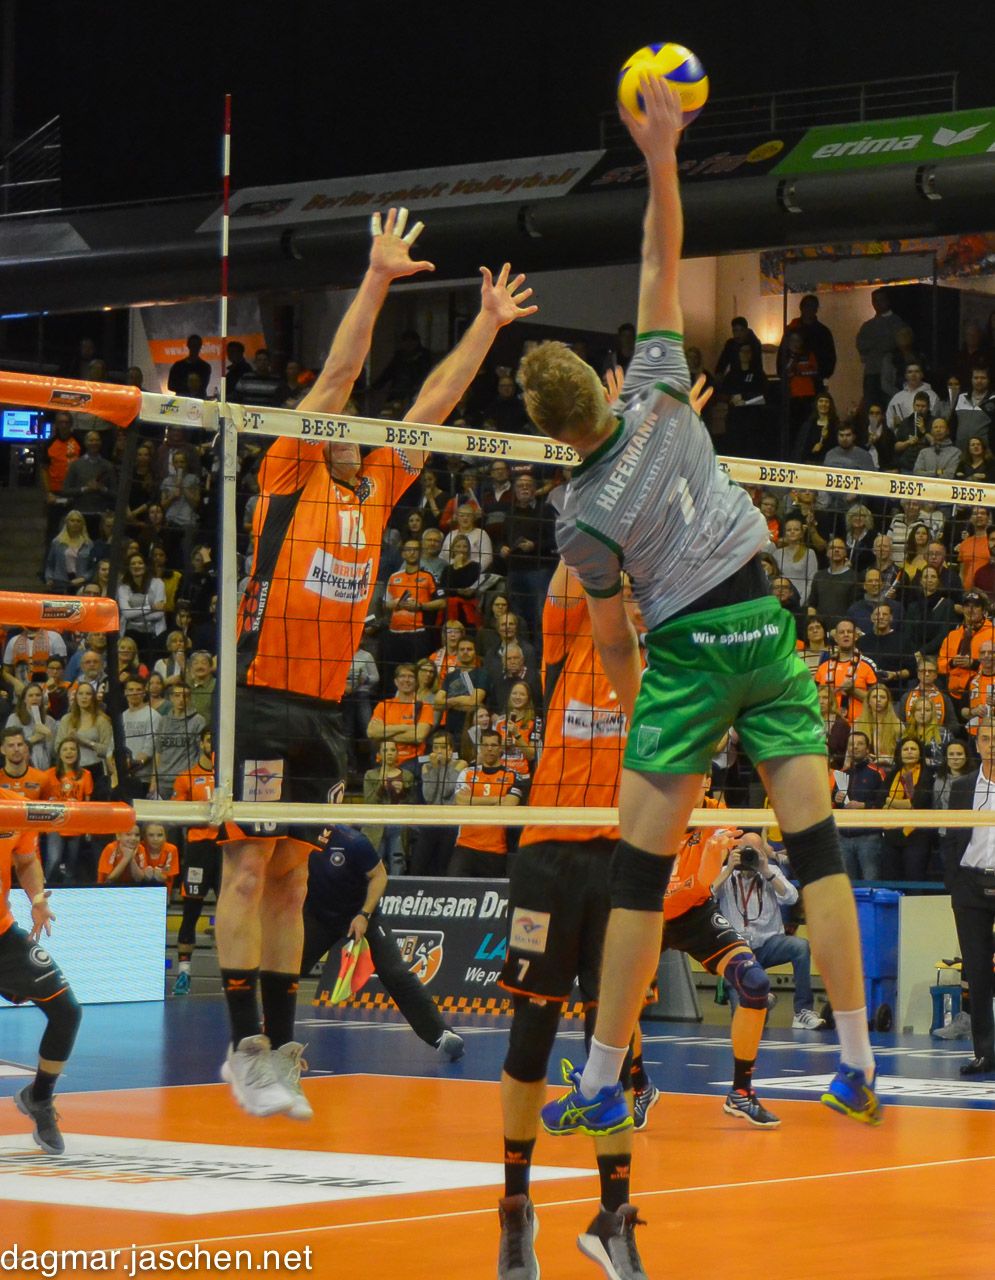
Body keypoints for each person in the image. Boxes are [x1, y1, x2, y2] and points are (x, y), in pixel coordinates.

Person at [518, 73, 879, 1141]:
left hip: (682, 656)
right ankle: (857, 1064)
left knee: (637, 878)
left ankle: (597, 1079)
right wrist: (663, 154)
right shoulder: (662, 389)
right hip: (764, 628)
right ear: (605, 381)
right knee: (818, 852)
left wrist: (649, 717)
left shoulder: (578, 520)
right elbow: (658, 254)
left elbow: (610, 637)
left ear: (550, 431)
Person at [219, 208, 536, 1120]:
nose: (351, 422)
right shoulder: (289, 469)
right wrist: (376, 278)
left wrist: (486, 324)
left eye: (357, 422)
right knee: (248, 873)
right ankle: (243, 1049)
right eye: (342, 418)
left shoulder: (377, 486)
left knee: (289, 879)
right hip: (260, 693)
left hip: (326, 710)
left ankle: (277, 1055)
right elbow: (337, 375)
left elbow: (433, 405)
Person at [302, 823, 463, 1057]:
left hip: (360, 915)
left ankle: (441, 1035)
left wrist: (364, 914)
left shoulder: (354, 842)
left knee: (396, 973)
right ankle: (269, 1032)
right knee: (285, 967)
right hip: (318, 916)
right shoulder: (298, 838)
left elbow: (379, 876)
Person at [0, 785, 83, 1154]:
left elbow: (26, 859)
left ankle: (40, 1097)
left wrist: (36, 899)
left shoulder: (15, 806)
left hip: (2, 935)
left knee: (67, 1011)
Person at [714, 837, 827, 1031]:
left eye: (754, 852)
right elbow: (706, 896)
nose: (749, 857)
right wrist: (728, 869)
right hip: (738, 952)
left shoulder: (771, 871)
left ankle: (803, 1011)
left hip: (769, 944)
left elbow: (792, 897)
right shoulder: (725, 873)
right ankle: (762, 1000)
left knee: (800, 947)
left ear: (763, 853)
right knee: (746, 1023)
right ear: (736, 851)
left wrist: (766, 871)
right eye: (745, 851)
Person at [941, 720, 995, 1074]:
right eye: (987, 738)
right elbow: (950, 837)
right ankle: (985, 1053)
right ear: (978, 744)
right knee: (976, 971)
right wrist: (955, 882)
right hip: (971, 885)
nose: (992, 745)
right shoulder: (962, 787)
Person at [171, 727, 219, 997]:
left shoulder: (230, 779)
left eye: (216, 740)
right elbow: (178, 815)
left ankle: (231, 974)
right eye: (209, 739)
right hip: (199, 850)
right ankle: (184, 974)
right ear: (201, 743)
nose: (212, 744)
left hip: (225, 848)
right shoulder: (185, 777)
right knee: (190, 912)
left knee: (230, 914)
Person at [450, 731, 524, 877]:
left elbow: (509, 805)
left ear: (501, 748)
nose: (489, 749)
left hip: (495, 850)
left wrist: (473, 800)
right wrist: (496, 799)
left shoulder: (513, 776)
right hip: (465, 846)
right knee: (455, 888)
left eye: (494, 745)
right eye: (485, 745)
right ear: (480, 747)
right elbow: (460, 801)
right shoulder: (467, 773)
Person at [832, 731, 886, 881]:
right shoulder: (842, 774)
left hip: (868, 836)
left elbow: (884, 802)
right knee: (848, 885)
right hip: (844, 836)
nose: (855, 747)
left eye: (860, 744)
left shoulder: (877, 772)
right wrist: (836, 798)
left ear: (867, 749)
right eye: (851, 744)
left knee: (871, 882)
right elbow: (835, 802)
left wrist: (863, 805)